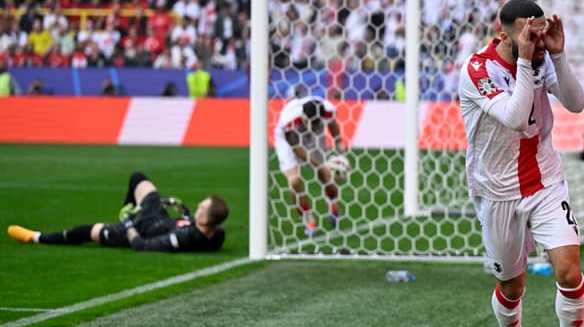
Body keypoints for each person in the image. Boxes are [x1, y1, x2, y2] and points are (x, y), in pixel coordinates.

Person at [458, 0, 584, 327]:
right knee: (512, 286)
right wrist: (525, 59)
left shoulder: (541, 58)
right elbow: (516, 118)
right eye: (527, 32)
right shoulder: (478, 69)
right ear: (502, 30)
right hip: (497, 191)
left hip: (544, 182)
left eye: (538, 31)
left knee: (569, 271)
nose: (535, 40)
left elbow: (575, 103)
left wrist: (558, 54)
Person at [7, 171, 228, 252]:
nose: (199, 205)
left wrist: (129, 223)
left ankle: (35, 237)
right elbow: (199, 231)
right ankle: (128, 211)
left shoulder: (181, 238)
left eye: (202, 207)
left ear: (206, 218)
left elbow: (141, 246)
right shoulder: (216, 233)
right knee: (138, 178)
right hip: (158, 218)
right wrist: (186, 213)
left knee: (85, 232)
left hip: (140, 230)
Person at [273, 91, 346, 236]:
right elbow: (297, 150)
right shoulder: (288, 122)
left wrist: (339, 146)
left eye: (316, 123)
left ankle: (332, 204)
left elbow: (332, 125)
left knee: (326, 177)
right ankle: (308, 219)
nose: (312, 126)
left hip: (314, 139)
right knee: (295, 180)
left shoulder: (328, 111)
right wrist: (320, 166)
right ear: (303, 117)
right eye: (309, 123)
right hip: (288, 140)